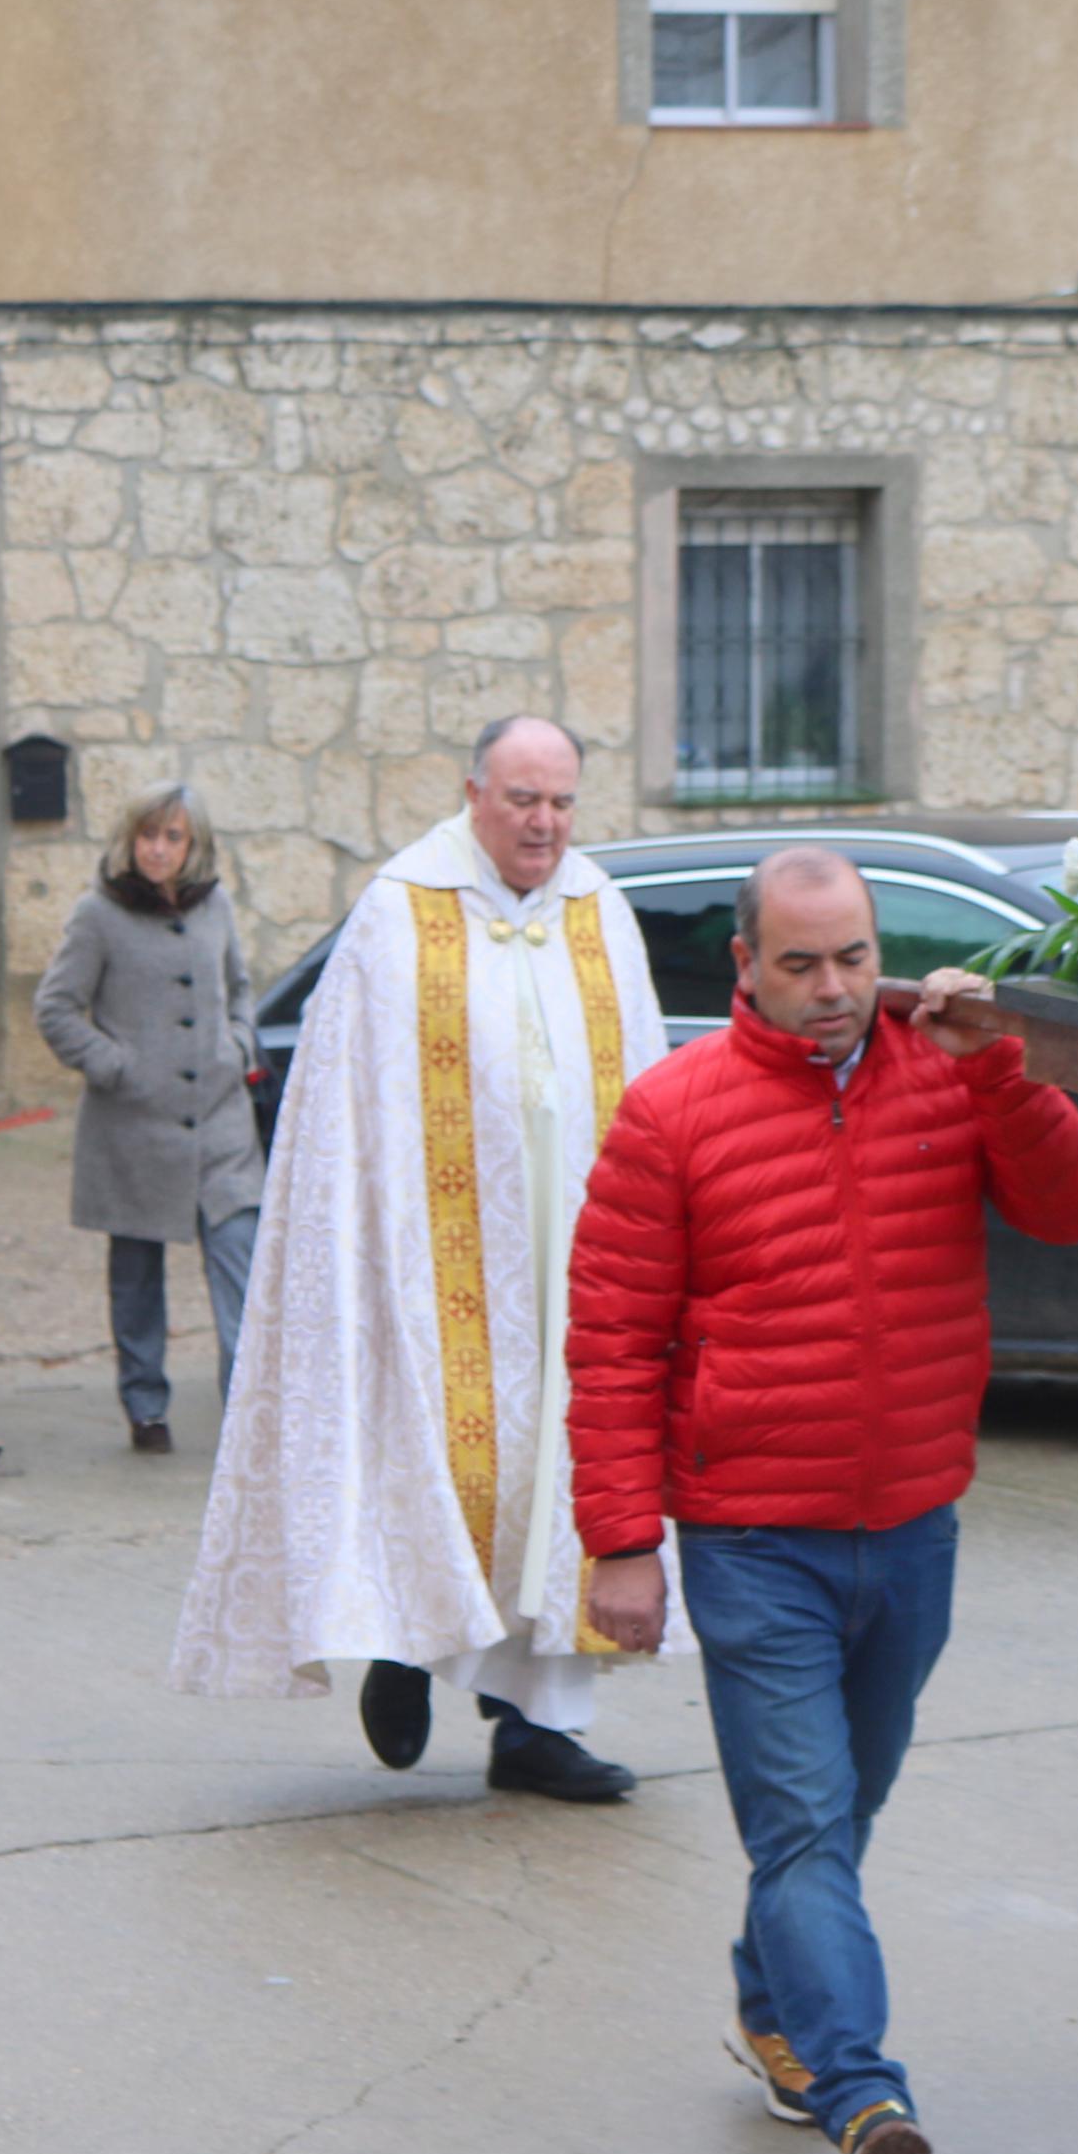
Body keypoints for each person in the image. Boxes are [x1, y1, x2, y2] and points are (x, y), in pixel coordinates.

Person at [564, 849, 1078, 2154]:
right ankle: (862, 2092)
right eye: (800, 962)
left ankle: (771, 2000)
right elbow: (612, 1341)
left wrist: (1002, 1066)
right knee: (804, 1823)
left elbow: (1073, 1205)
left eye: (854, 957)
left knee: (836, 1807)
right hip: (753, 1534)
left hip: (913, 1518)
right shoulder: (670, 1112)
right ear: (741, 963)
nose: (832, 989)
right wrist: (622, 1540)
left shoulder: (950, 1070)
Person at [167, 716, 671, 1805]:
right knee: (444, 1464)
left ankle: (534, 1727)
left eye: (561, 802)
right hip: (432, 1266)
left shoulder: (599, 911)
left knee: (563, 1484)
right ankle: (402, 1646)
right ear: (472, 793)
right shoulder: (401, 911)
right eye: (522, 799)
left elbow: (646, 1083)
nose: (544, 823)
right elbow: (345, 1111)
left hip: (572, 1263)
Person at [33, 784, 265, 1453]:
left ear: (193, 846)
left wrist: (240, 1042)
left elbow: (241, 988)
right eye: (148, 836)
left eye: (173, 837)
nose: (158, 849)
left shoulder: (215, 903)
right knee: (136, 1276)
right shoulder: (97, 914)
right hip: (133, 1129)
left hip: (222, 1130)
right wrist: (115, 1066)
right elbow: (54, 1008)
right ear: (129, 841)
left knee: (241, 1271)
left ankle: (246, 1414)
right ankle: (145, 1404)